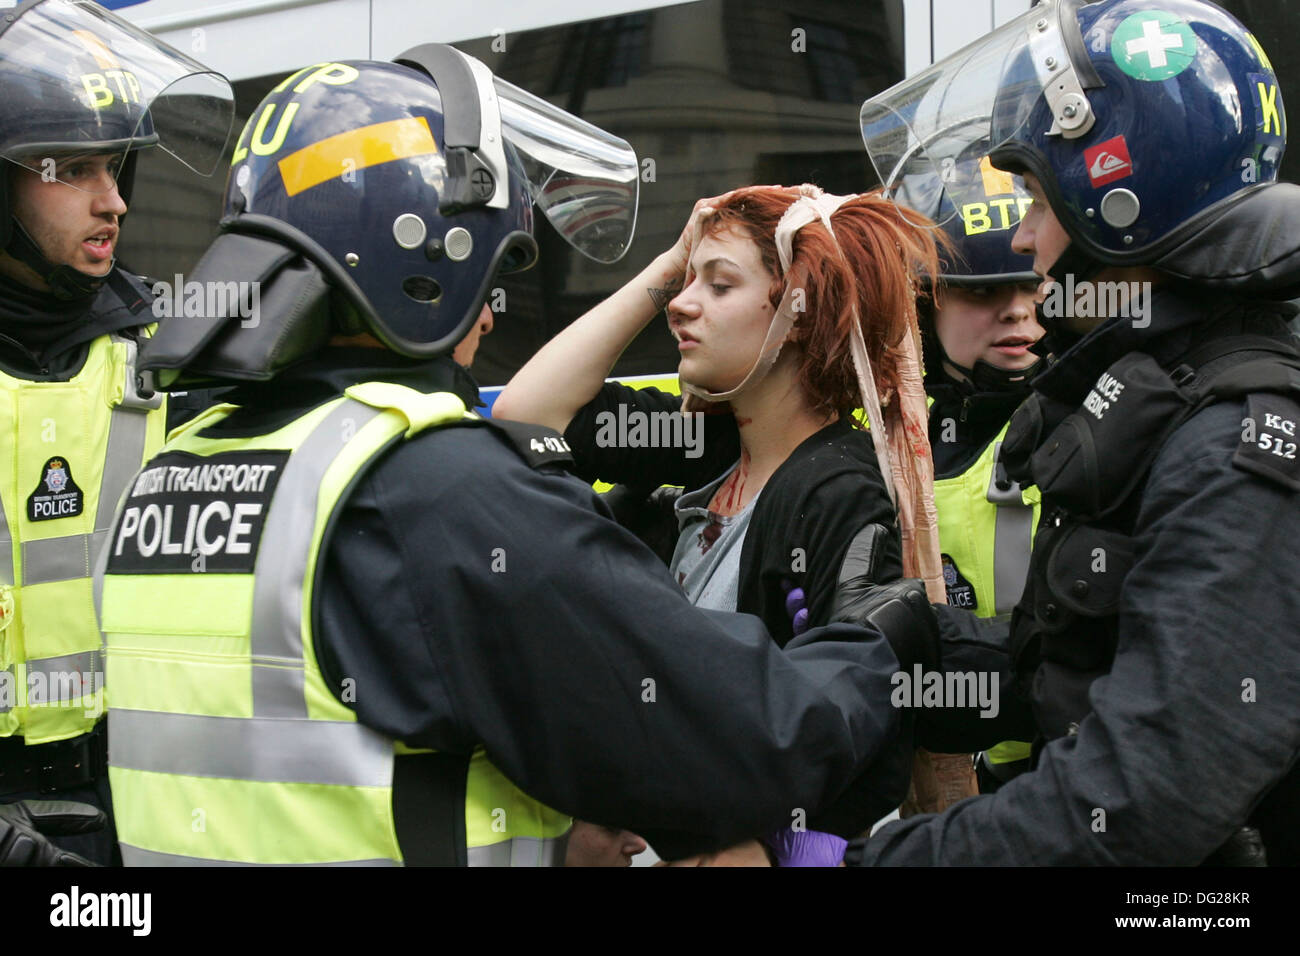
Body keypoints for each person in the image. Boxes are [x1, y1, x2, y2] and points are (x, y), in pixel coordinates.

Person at [94, 45, 938, 866]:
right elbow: (756, 737)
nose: (491, 310)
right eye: (492, 263)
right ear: (423, 259)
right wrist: (871, 644)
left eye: (717, 285)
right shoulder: (438, 489)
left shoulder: (173, 467)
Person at [850, 0, 1300, 865]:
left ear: (1118, 197)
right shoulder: (1183, 394)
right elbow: (1112, 660)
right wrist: (917, 651)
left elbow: (1144, 803)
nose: (1023, 238)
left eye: (1034, 199)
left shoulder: (1236, 439)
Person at [495, 184, 946, 863]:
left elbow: (860, 719)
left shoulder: (837, 492)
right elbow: (527, 416)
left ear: (797, 313)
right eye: (686, 282)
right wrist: (668, 264)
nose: (680, 302)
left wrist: (774, 849)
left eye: (719, 284)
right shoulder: (706, 442)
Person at [0, 0, 233, 865]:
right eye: (73, 168)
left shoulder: (157, 356)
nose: (115, 202)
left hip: (136, 802)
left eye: (115, 167)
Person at [898, 154, 1044, 791]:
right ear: (926, 305)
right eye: (983, 290)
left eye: (1034, 286)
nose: (1017, 311)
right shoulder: (890, 427)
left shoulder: (1100, 420)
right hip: (948, 781)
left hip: (1062, 774)